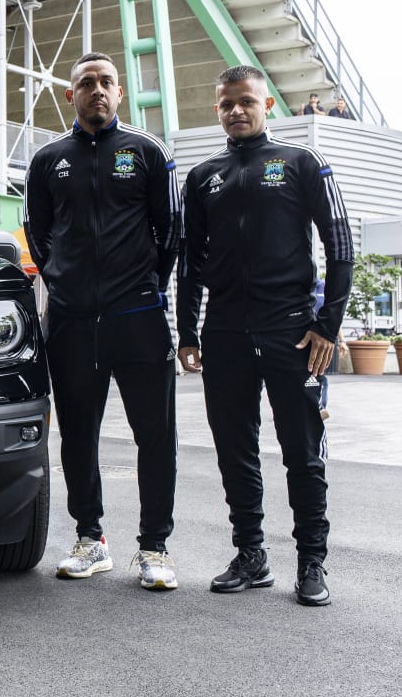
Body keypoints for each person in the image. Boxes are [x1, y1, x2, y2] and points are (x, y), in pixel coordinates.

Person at [177, 65, 353, 607]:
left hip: (291, 334)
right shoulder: (203, 175)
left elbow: (340, 245)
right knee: (235, 451)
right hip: (225, 333)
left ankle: (312, 563)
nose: (236, 110)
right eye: (227, 103)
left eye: (246, 101)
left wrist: (327, 325)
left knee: (302, 454)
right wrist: (187, 331)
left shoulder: (302, 163)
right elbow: (190, 262)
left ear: (266, 103)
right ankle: (250, 555)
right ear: (217, 109)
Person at [24, 52, 182, 590]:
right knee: (76, 436)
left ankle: (154, 548)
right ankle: (91, 539)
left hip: (138, 319)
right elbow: (38, 234)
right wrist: (65, 282)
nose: (97, 90)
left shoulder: (146, 152)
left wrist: (144, 286)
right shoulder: (49, 159)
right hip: (70, 322)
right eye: (86, 83)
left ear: (120, 93)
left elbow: (170, 233)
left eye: (106, 82)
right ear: (71, 95)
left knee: (155, 436)